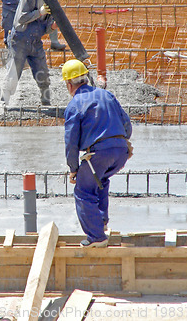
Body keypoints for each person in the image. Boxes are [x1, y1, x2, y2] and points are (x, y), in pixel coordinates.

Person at [62, 59, 132, 248]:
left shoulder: (74, 104)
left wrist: (73, 168)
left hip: (100, 154)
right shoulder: (106, 95)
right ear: (86, 78)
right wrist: (121, 142)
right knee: (99, 181)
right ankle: (101, 223)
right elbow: (127, 124)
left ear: (69, 84)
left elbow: (71, 142)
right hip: (121, 151)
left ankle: (97, 237)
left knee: (83, 191)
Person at [1, 0, 65, 106]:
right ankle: (4, 101)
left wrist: (53, 27)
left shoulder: (52, 3)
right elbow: (21, 19)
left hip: (35, 42)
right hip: (19, 41)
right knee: (13, 72)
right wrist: (39, 12)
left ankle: (46, 101)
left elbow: (46, 27)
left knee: (43, 74)